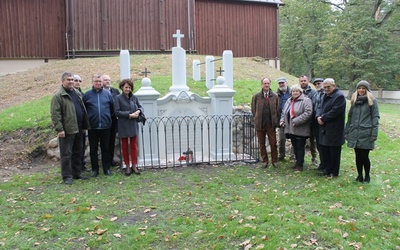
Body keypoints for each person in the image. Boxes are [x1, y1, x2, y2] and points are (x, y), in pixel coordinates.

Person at [50, 72, 90, 184]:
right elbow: (55, 114)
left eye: (72, 79)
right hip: (67, 130)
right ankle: (66, 176)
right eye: (68, 79)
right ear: (62, 81)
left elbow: (82, 109)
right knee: (66, 154)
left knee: (78, 151)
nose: (71, 82)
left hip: (79, 127)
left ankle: (77, 173)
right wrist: (60, 129)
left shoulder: (76, 93)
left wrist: (84, 125)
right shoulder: (58, 96)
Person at [345, 80, 379, 183]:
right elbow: (350, 117)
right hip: (354, 132)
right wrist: (346, 131)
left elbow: (375, 117)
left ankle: (367, 176)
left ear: (367, 89)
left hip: (366, 133)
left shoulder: (372, 101)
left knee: (364, 156)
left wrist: (374, 133)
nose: (361, 90)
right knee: (358, 156)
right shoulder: (354, 101)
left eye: (363, 88)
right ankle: (359, 175)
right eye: (359, 88)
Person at [83, 74, 114, 177]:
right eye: (96, 81)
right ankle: (95, 169)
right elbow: (84, 111)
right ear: (92, 82)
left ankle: (106, 169)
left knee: (105, 148)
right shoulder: (87, 95)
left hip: (106, 126)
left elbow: (112, 109)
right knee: (93, 149)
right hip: (93, 127)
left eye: (100, 81)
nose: (98, 83)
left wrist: (108, 118)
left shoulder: (107, 94)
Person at [316, 78, 346, 178]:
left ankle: (334, 172)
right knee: (325, 151)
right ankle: (327, 170)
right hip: (324, 128)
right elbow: (319, 107)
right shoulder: (324, 95)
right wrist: (318, 116)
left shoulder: (339, 96)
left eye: (328, 87)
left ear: (334, 86)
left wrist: (323, 118)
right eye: (325, 87)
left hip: (334, 129)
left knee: (334, 152)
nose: (326, 89)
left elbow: (335, 111)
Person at [114, 79, 144, 176]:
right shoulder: (118, 98)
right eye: (126, 87)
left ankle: (134, 165)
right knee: (125, 147)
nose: (128, 89)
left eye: (129, 87)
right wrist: (129, 115)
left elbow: (140, 107)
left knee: (134, 146)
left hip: (133, 124)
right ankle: (127, 166)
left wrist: (138, 111)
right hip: (123, 125)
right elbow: (117, 112)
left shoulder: (134, 97)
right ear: (122, 87)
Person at [280, 85, 312, 171]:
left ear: (300, 92)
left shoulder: (306, 100)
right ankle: (297, 162)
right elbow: (284, 112)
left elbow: (308, 113)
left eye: (297, 91)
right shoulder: (289, 101)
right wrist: (282, 120)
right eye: (293, 91)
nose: (295, 93)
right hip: (291, 128)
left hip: (300, 128)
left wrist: (296, 121)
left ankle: (300, 164)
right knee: (295, 146)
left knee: (300, 147)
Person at [251, 77, 281, 168]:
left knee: (273, 143)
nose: (266, 85)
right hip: (260, 123)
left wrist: (275, 120)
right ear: (262, 84)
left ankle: (274, 161)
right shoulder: (256, 96)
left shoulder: (275, 96)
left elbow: (277, 109)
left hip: (271, 124)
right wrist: (257, 118)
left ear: (270, 84)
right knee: (261, 143)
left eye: (268, 83)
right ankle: (265, 161)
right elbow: (253, 110)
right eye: (265, 83)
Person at [102, 74, 120, 167]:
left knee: (112, 141)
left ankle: (111, 159)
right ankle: (105, 161)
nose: (107, 81)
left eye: (108, 80)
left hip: (113, 120)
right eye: (105, 80)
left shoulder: (115, 91)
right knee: (104, 142)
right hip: (103, 119)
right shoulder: (100, 92)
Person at [299, 75, 318, 165]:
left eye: (304, 80)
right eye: (301, 81)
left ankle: (314, 158)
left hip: (310, 121)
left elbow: (314, 106)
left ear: (308, 81)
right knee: (299, 141)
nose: (303, 82)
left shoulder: (313, 93)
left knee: (312, 141)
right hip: (300, 121)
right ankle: (298, 158)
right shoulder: (298, 92)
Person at [73, 74, 90, 172]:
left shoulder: (82, 95)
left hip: (82, 126)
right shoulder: (71, 94)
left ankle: (81, 165)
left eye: (80, 81)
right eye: (76, 80)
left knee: (82, 146)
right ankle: (75, 167)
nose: (78, 82)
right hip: (72, 125)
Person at [276, 77, 291, 161]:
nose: (281, 84)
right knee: (281, 139)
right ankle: (281, 155)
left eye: (283, 83)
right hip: (281, 120)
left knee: (294, 139)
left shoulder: (292, 92)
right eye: (280, 83)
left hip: (292, 119)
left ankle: (293, 156)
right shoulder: (276, 94)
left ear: (286, 83)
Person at [311, 78, 325, 171]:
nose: (317, 85)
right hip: (315, 120)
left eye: (319, 83)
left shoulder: (325, 94)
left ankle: (325, 163)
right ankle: (322, 163)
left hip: (323, 120)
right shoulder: (315, 94)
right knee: (318, 143)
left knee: (323, 143)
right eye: (315, 84)